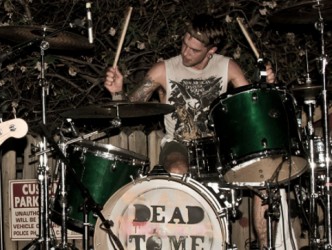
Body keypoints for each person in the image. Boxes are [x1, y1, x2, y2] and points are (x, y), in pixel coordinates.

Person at [104, 14, 293, 249]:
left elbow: (251, 106)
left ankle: (267, 247)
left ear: (211, 50)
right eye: (184, 43)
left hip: (220, 147)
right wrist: (117, 92)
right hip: (178, 144)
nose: (185, 52)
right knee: (177, 169)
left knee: (263, 178)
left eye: (193, 50)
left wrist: (267, 86)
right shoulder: (163, 69)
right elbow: (128, 109)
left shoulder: (227, 66)